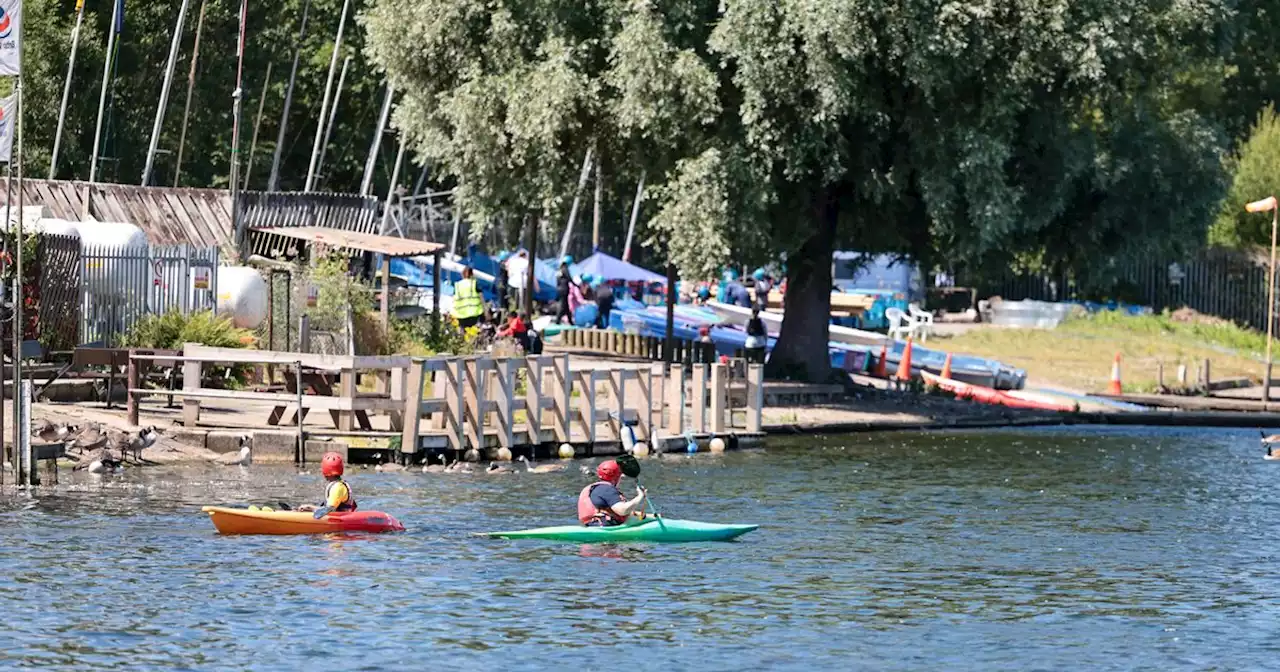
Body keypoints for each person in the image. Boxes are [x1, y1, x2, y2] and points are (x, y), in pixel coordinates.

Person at [577, 460, 647, 527]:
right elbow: (623, 510)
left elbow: (615, 512)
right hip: (604, 528)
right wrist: (640, 496)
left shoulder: (596, 488)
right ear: (617, 477)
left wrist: (654, 516)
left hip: (591, 525)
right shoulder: (607, 490)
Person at [555, 256, 574, 324]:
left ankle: (570, 320)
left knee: (566, 306)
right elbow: (569, 278)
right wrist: (576, 285)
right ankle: (557, 320)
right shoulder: (565, 269)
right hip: (564, 289)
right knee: (563, 305)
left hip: (559, 289)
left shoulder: (559, 270)